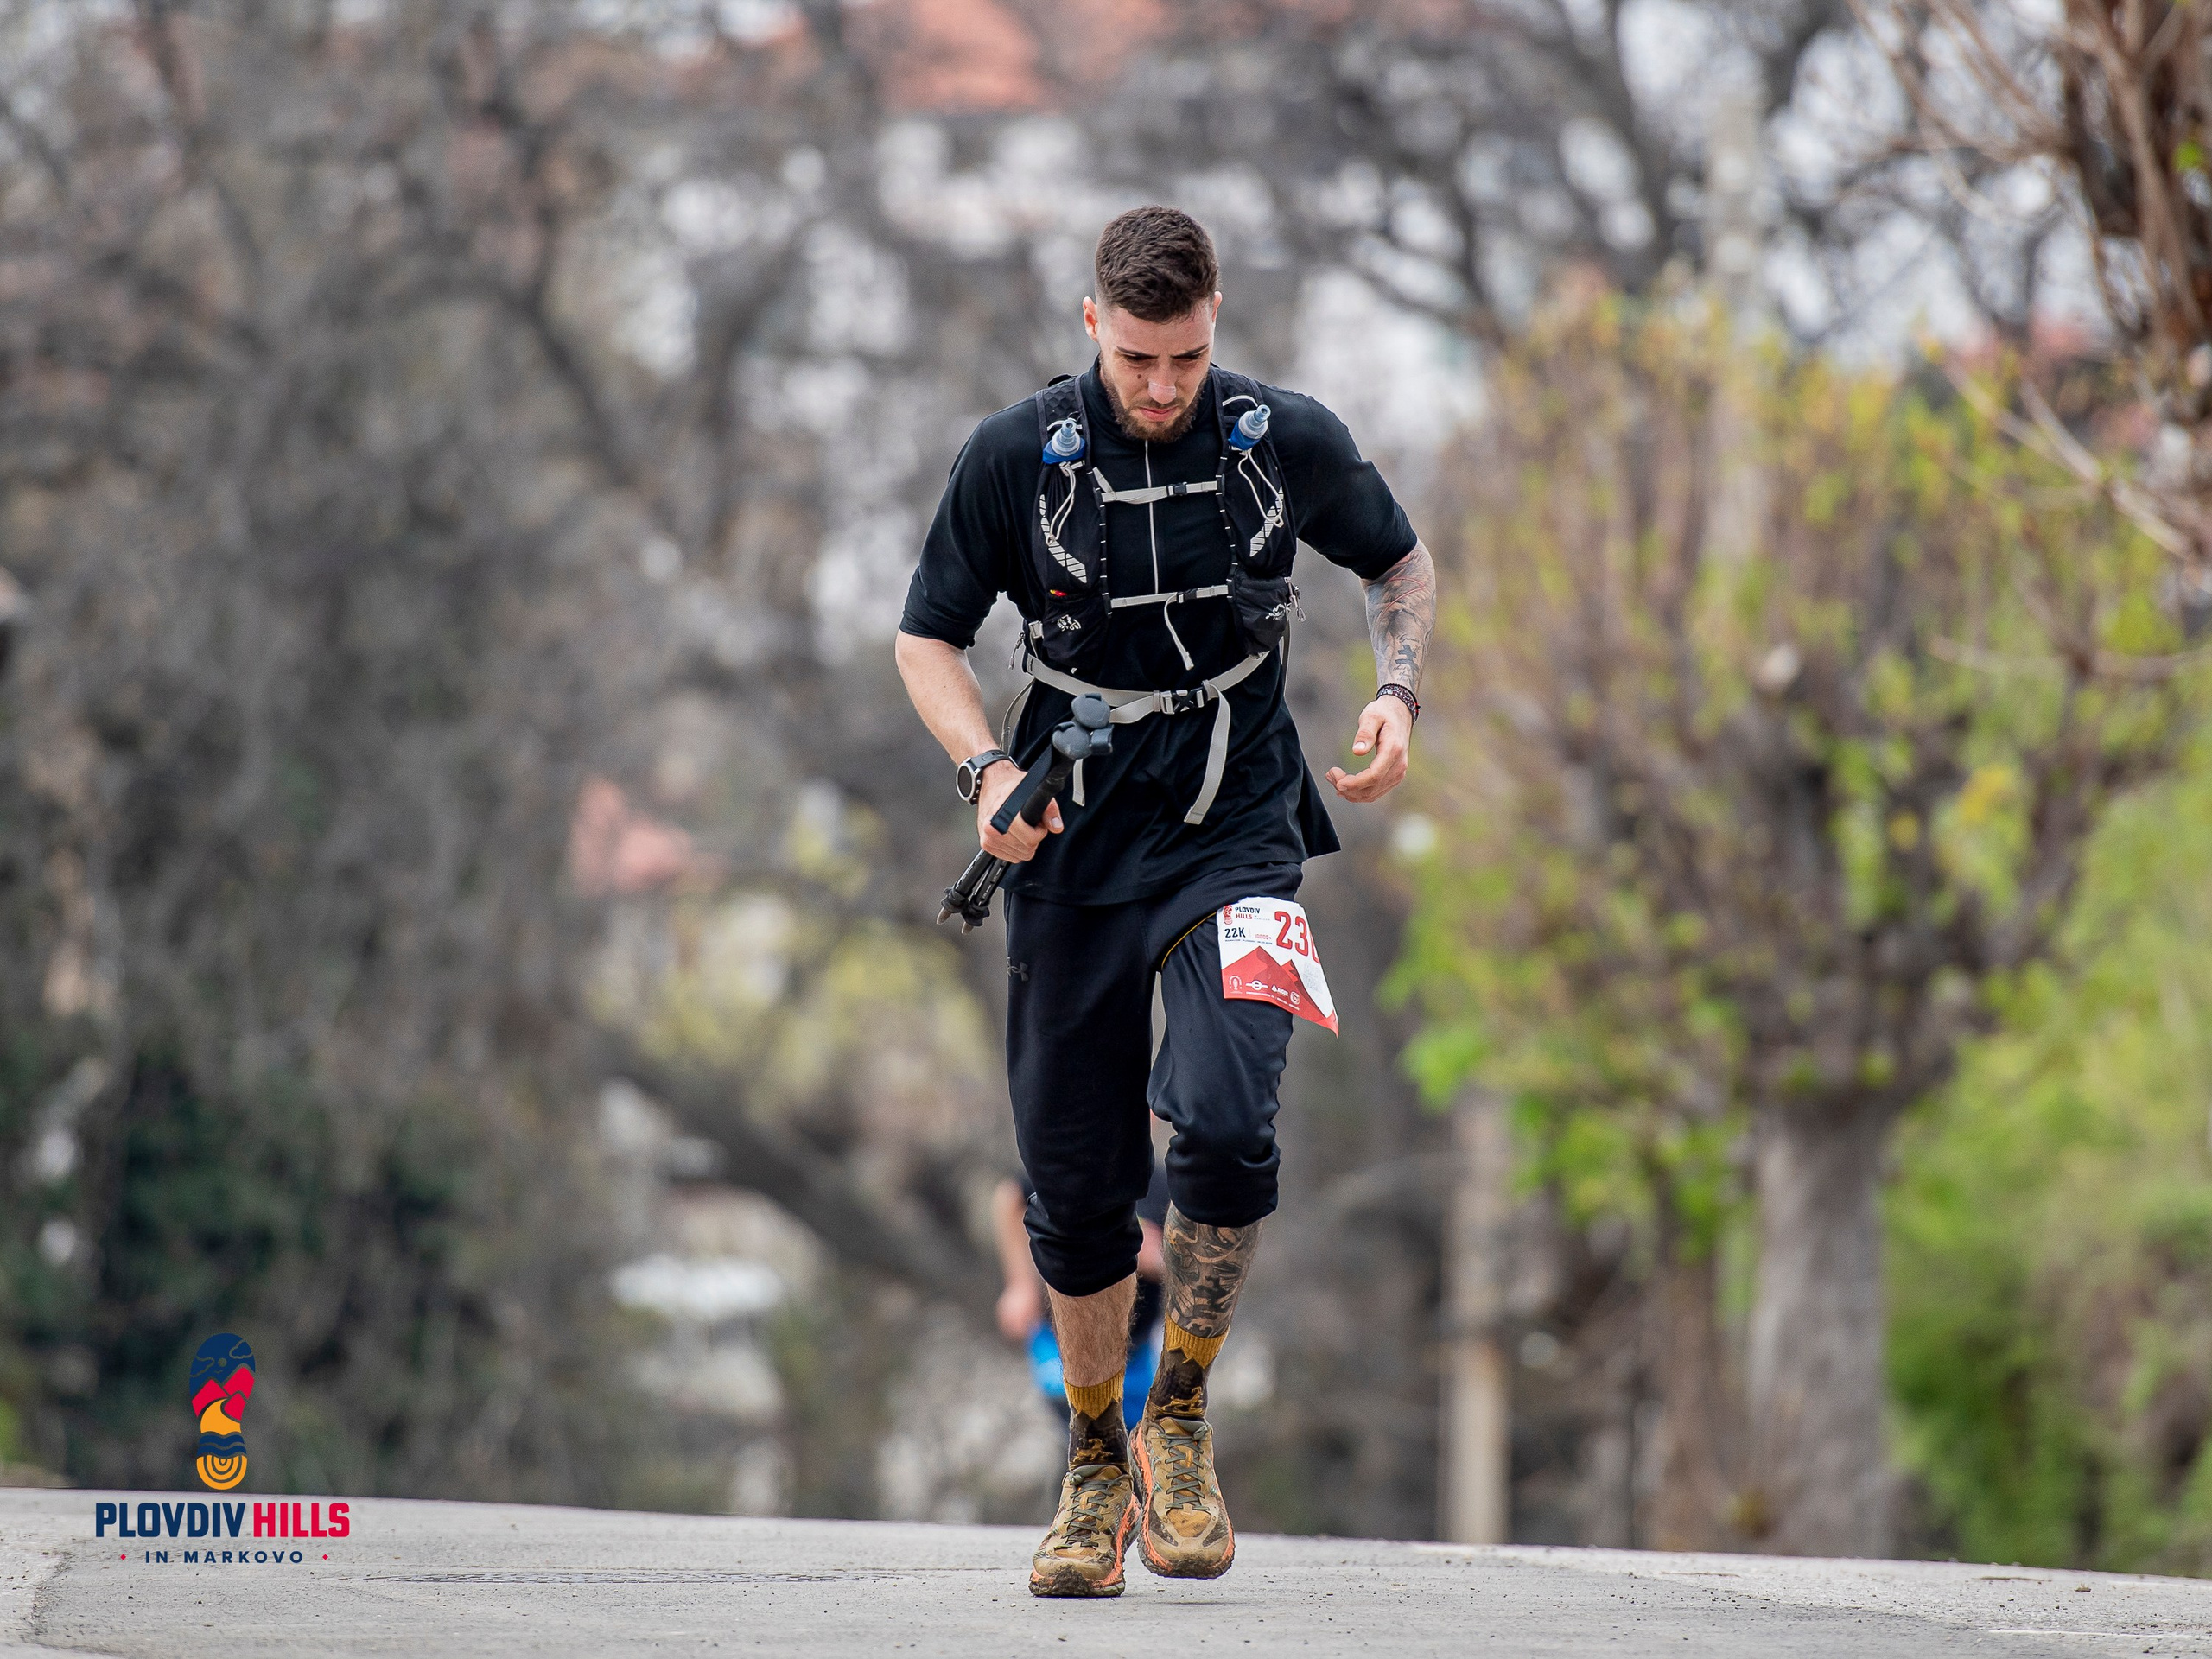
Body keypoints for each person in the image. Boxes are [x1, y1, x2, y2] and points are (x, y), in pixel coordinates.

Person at [895, 206, 1433, 1599]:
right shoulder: (1017, 459)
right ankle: (1090, 1462)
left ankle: (1177, 1419)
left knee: (1229, 1107)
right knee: (1072, 1189)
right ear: (1091, 324)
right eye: (1137, 358)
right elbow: (927, 637)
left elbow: (1399, 561)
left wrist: (1398, 692)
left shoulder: (1279, 438)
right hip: (1069, 841)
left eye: (1185, 357)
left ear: (1215, 329)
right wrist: (985, 769)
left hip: (1237, 827)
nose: (1161, 387)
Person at [994, 1168, 1169, 1427]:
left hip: (1137, 1350)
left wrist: (1154, 1260)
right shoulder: (1074, 1163)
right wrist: (1020, 1283)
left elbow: (1185, 1257)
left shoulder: (1159, 1184)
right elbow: (1010, 1198)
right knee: (1086, 1433)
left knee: (1136, 1445)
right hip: (1061, 1343)